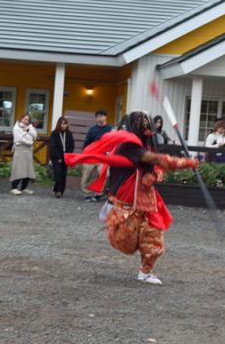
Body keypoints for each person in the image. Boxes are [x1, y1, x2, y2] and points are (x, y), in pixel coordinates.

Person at [65, 111, 198, 285]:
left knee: (153, 239)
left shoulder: (148, 145)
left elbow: (156, 167)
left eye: (148, 124)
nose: (147, 127)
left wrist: (155, 176)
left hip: (147, 201)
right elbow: (152, 159)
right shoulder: (129, 146)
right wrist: (183, 163)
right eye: (143, 124)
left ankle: (145, 271)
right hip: (127, 201)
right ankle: (115, 224)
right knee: (126, 240)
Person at [81, 109, 113, 201]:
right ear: (96, 118)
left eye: (102, 116)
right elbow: (86, 142)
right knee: (86, 175)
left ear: (105, 117)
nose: (100, 118)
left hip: (103, 156)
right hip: (90, 156)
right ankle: (87, 193)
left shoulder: (110, 129)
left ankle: (99, 193)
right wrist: (83, 155)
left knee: (106, 174)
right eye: (98, 116)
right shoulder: (92, 129)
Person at [9, 113, 37, 195]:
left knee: (28, 169)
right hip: (20, 149)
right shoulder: (16, 127)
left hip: (28, 150)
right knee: (18, 168)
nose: (26, 121)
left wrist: (27, 131)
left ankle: (24, 187)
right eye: (24, 119)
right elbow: (20, 139)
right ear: (21, 119)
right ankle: (13, 187)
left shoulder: (30, 126)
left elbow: (35, 135)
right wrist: (29, 138)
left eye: (28, 119)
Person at [48, 116, 74, 198]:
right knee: (58, 173)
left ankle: (60, 190)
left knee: (63, 174)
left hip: (66, 157)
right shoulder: (54, 133)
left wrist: (68, 155)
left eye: (65, 124)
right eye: (62, 124)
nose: (63, 126)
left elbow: (71, 145)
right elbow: (53, 146)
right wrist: (58, 157)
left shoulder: (69, 134)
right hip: (56, 157)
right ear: (59, 124)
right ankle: (58, 190)